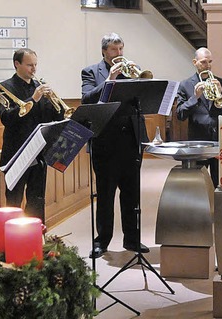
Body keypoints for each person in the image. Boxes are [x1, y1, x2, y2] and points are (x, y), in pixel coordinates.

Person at [81, 32, 149, 258]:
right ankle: (102, 241)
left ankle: (132, 239)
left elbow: (143, 100)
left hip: (130, 140)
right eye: (114, 49)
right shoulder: (91, 72)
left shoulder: (132, 69)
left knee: (132, 195)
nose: (119, 54)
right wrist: (109, 80)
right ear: (104, 51)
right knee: (106, 194)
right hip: (105, 142)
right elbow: (87, 98)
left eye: (121, 49)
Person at [0, 48, 64, 221]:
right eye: (29, 65)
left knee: (36, 200)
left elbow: (53, 117)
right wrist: (33, 100)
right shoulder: (5, 87)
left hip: (39, 152)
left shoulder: (39, 86)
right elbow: (7, 118)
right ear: (17, 64)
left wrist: (54, 104)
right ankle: (11, 242)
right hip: (16, 153)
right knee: (14, 200)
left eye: (35, 64)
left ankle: (37, 238)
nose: (34, 69)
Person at [176, 47, 222, 188]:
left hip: (220, 139)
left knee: (220, 181)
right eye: (203, 62)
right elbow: (180, 114)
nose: (208, 66)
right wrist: (195, 97)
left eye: (210, 62)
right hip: (198, 140)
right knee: (197, 183)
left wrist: (221, 92)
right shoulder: (185, 85)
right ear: (195, 62)